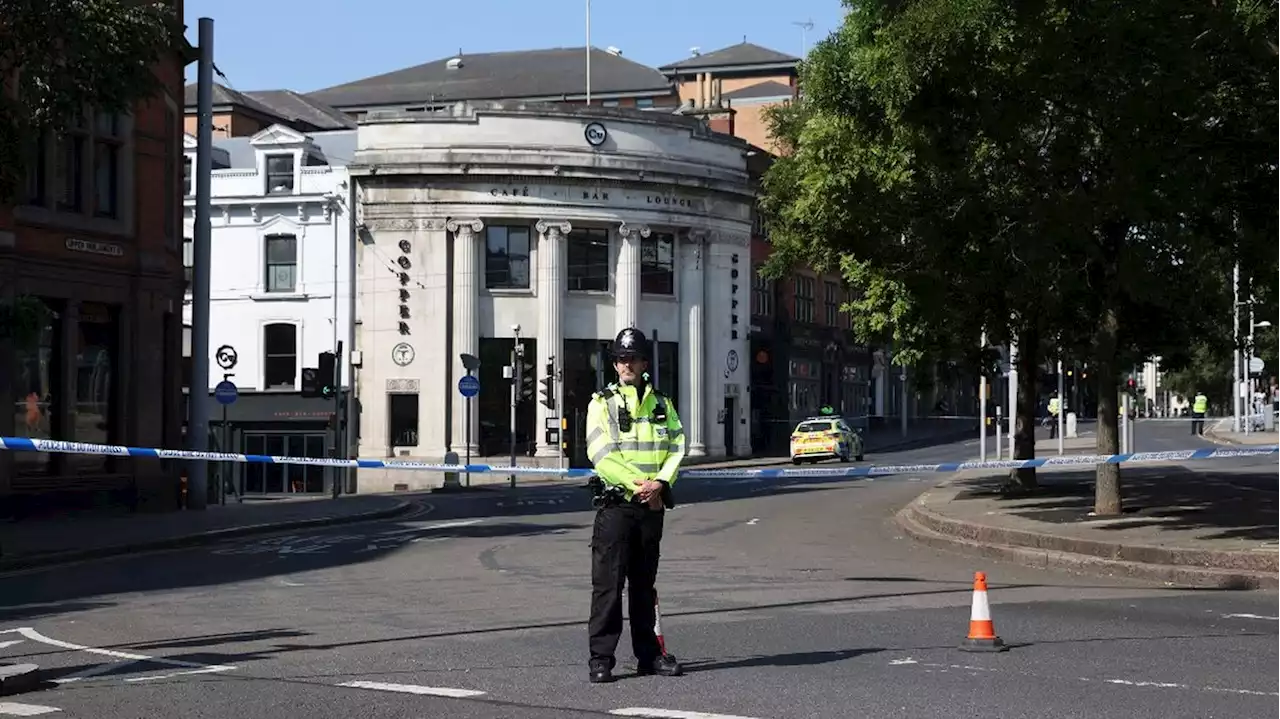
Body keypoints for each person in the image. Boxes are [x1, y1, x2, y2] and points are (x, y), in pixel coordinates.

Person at [583, 327, 686, 684]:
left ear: (644, 363)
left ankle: (649, 656)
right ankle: (601, 659)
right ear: (615, 364)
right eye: (620, 358)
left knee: (644, 586)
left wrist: (660, 483)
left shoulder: (661, 403)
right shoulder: (602, 403)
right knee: (608, 586)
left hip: (651, 505)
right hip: (617, 507)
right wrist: (637, 485)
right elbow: (601, 454)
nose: (626, 364)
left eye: (632, 358)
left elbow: (677, 446)